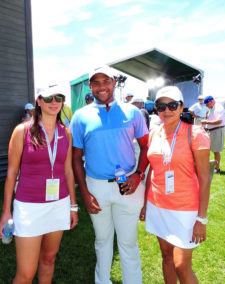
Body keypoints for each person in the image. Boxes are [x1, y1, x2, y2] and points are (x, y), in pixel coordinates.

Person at [70, 66, 149, 284]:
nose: (101, 86)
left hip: (129, 185)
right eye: (96, 82)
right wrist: (84, 193)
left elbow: (146, 146)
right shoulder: (80, 116)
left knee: (128, 243)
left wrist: (139, 175)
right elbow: (76, 158)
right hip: (96, 187)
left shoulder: (132, 112)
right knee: (102, 241)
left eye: (106, 81)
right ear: (90, 86)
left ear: (114, 82)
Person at [0, 86, 78, 284]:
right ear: (39, 101)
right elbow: (11, 173)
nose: (54, 101)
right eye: (48, 97)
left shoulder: (65, 133)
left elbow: (68, 170)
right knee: (26, 273)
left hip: (59, 204)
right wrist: (6, 212)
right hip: (29, 207)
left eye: (58, 97)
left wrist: (73, 206)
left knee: (49, 259)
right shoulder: (21, 131)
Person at [140, 86, 210, 284]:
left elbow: (205, 178)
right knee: (166, 257)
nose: (166, 110)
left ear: (181, 107)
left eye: (172, 105)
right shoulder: (154, 133)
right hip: (157, 206)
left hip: (185, 209)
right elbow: (152, 170)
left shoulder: (195, 134)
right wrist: (146, 204)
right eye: (161, 106)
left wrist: (201, 219)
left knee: (181, 265)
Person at [201, 96, 225, 174]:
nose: (206, 106)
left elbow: (219, 121)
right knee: (207, 149)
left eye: (207, 104)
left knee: (216, 151)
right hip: (212, 131)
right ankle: (207, 166)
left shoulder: (218, 108)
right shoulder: (212, 108)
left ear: (211, 101)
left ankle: (217, 169)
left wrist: (206, 122)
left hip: (217, 130)